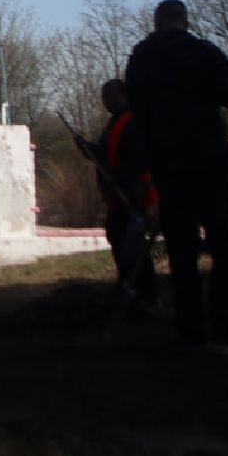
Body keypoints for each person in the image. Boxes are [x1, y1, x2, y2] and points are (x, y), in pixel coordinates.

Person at [124, 0, 228, 354]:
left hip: (169, 165)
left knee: (182, 252)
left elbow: (134, 106)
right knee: (225, 250)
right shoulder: (202, 52)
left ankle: (190, 331)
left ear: (156, 21)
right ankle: (226, 331)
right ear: (184, 20)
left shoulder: (142, 58)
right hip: (210, 162)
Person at [90, 79, 158, 310]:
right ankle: (128, 287)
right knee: (119, 242)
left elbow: (140, 163)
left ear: (124, 96)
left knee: (134, 249)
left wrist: (148, 199)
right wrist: (89, 150)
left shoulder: (133, 123)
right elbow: (106, 156)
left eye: (111, 96)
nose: (106, 101)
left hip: (133, 198)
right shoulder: (114, 124)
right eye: (104, 97)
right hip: (117, 200)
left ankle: (144, 294)